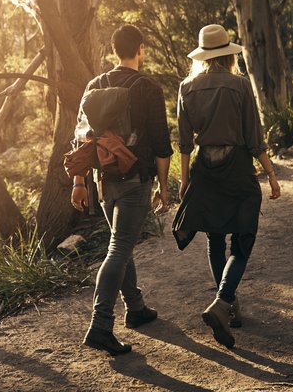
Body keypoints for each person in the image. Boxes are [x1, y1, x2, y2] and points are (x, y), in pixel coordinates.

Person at [172, 24, 281, 350]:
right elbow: (253, 138)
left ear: (204, 56)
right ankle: (222, 303)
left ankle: (229, 306)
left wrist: (186, 181)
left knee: (215, 237)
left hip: (204, 169)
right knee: (243, 239)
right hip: (236, 169)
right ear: (227, 54)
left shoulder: (186, 87)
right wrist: (271, 175)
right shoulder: (239, 85)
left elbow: (184, 143)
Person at [72, 24, 173, 356]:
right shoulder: (148, 87)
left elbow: (80, 138)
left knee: (122, 242)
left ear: (114, 50)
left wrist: (78, 182)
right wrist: (164, 186)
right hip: (134, 181)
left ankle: (136, 307)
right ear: (140, 49)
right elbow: (161, 143)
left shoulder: (94, 85)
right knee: (118, 248)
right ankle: (100, 326)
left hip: (103, 183)